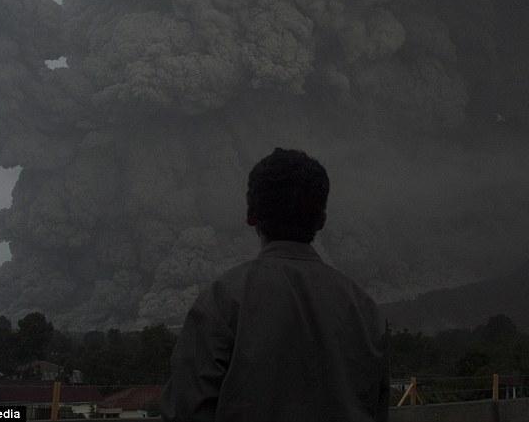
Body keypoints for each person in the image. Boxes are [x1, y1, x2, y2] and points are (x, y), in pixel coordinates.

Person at [160, 148, 390, 422]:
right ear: (322, 219)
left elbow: (186, 410)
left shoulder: (222, 303)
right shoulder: (365, 311)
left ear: (251, 216)